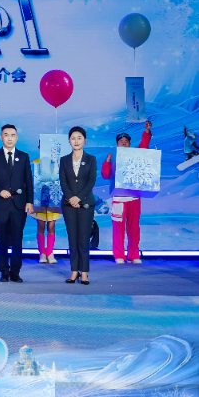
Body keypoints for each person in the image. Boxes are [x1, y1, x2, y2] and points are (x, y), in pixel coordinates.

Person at [0, 124, 34, 283]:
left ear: (17, 138)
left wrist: (29, 201)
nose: (9, 138)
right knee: (2, 239)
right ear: (1, 137)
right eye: (6, 135)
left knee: (17, 239)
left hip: (19, 205)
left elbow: (29, 181)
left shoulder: (24, 157)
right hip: (1, 204)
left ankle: (15, 272)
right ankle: (4, 271)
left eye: (12, 135)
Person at [101, 120, 152, 264]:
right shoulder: (113, 158)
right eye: (121, 142)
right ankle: (119, 255)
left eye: (126, 142)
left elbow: (144, 147)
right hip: (118, 199)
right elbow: (105, 175)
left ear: (130, 144)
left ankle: (134, 255)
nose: (123, 143)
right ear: (117, 145)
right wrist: (107, 162)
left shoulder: (135, 156)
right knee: (118, 229)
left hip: (134, 198)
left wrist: (146, 132)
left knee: (134, 229)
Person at [59, 126, 97, 285]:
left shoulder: (91, 159)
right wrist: (71, 198)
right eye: (73, 138)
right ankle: (74, 271)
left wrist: (79, 198)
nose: (76, 141)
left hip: (86, 204)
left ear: (85, 140)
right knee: (72, 239)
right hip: (68, 205)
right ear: (69, 140)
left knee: (84, 239)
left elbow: (91, 181)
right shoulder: (64, 160)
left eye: (79, 138)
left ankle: (85, 273)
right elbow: (63, 181)